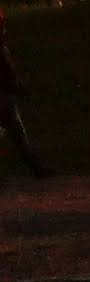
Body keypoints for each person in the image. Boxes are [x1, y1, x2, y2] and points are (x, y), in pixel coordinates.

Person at [0, 14, 46, 178]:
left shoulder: (2, 47)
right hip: (4, 95)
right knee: (17, 134)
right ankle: (37, 169)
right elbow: (7, 71)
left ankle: (37, 168)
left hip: (6, 94)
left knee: (17, 134)